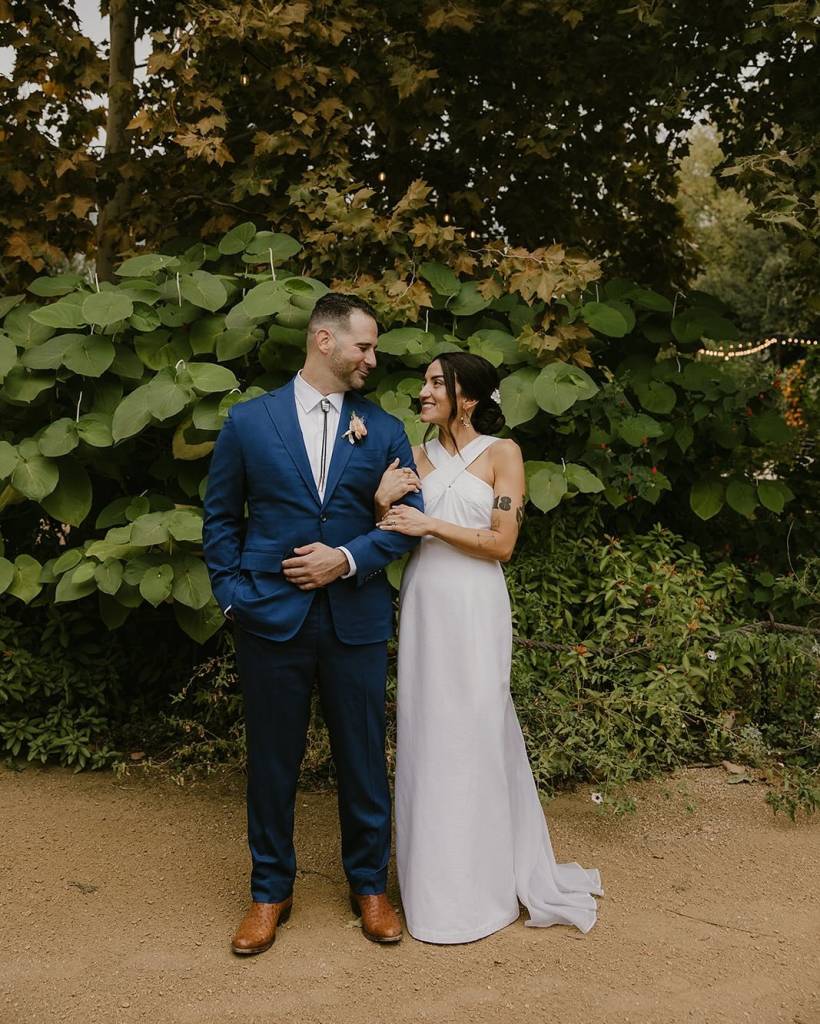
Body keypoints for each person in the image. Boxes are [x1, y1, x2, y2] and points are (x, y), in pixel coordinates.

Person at [203, 293, 424, 955]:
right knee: (272, 762)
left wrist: (348, 558)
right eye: (364, 346)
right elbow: (220, 520)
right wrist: (234, 599)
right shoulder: (249, 422)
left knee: (362, 758)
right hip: (269, 621)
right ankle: (270, 890)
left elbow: (408, 523)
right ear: (325, 341)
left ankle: (370, 887)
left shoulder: (381, 428)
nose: (372, 359)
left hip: (354, 621)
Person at [376, 351, 602, 943]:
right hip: (425, 603)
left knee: (474, 727)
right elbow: (388, 533)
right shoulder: (414, 459)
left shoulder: (503, 454)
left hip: (477, 604)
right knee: (427, 731)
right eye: (423, 383)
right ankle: (431, 887)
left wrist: (431, 525)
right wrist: (383, 502)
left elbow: (503, 544)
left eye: (434, 383)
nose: (422, 392)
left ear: (466, 397)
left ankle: (482, 886)